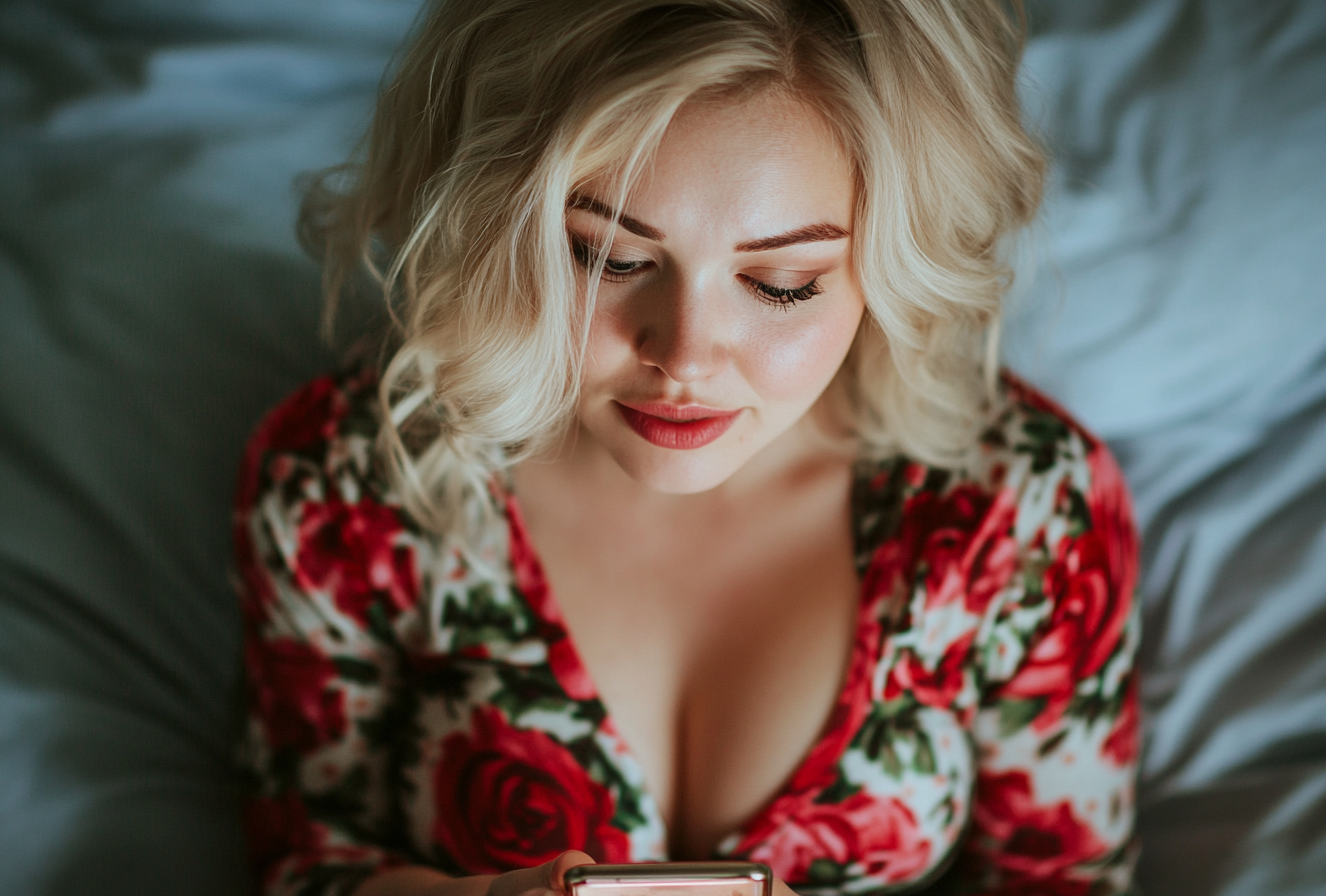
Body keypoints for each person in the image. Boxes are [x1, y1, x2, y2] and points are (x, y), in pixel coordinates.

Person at [234, 1, 1141, 894]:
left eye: (781, 284)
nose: (686, 356)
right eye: (609, 258)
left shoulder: (1022, 517)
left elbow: (1065, 881)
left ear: (891, 264)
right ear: (493, 226)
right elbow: (308, 857)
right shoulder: (348, 486)